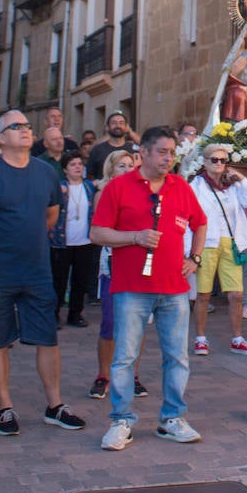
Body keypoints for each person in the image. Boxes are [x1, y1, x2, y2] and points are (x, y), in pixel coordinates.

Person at [0, 111, 84, 437]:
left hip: (36, 270)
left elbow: (52, 212)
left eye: (28, 126)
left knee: (47, 337)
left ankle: (55, 405)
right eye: (16, 126)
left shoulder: (44, 172)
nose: (25, 130)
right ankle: (5, 407)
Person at [91, 126, 207, 449]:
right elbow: (98, 233)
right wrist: (134, 237)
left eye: (172, 152)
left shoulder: (180, 186)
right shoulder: (119, 188)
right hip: (131, 288)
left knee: (177, 357)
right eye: (162, 152)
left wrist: (194, 258)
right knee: (125, 357)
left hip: (174, 288)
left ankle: (172, 417)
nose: (168, 158)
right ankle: (121, 420)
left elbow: (200, 222)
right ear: (142, 152)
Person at [88, 150, 143, 402]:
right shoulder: (104, 193)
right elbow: (101, 229)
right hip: (113, 258)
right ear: (111, 169)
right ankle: (103, 375)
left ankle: (132, 375)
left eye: (131, 165)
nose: (127, 169)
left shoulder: (143, 191)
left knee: (138, 323)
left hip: (139, 259)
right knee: (110, 322)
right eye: (121, 165)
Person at [190, 143, 247, 356]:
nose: (219, 164)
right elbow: (190, 215)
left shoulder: (233, 185)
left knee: (236, 293)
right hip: (207, 242)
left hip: (231, 242)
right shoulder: (196, 186)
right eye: (214, 160)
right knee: (204, 293)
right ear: (205, 162)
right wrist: (190, 249)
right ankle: (200, 337)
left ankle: (237, 337)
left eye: (223, 160)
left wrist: (242, 179)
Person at [50, 152, 98, 328]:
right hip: (62, 241)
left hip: (84, 241)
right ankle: (54, 313)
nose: (78, 167)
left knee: (80, 280)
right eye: (72, 164)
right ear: (64, 169)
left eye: (79, 164)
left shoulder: (89, 187)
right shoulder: (60, 187)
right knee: (59, 281)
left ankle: (75, 313)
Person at [86, 112, 136, 182]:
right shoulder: (97, 150)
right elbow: (90, 175)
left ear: (126, 127)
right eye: (114, 123)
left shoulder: (134, 150)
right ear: (107, 127)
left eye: (121, 123)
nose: (118, 126)